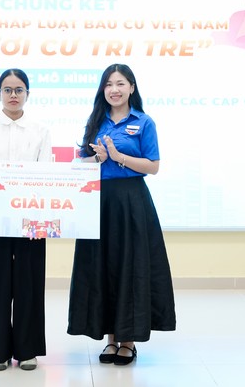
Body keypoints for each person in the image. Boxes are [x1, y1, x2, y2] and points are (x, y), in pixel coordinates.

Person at [67, 63, 176, 366]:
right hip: (99, 202)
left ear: (131, 87)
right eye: (108, 84)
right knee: (103, 267)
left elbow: (153, 166)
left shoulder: (143, 122)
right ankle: (110, 339)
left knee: (130, 265)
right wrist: (97, 158)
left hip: (131, 201)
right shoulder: (96, 121)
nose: (114, 90)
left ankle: (128, 341)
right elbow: (82, 163)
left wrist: (118, 157)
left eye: (120, 84)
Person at [0, 68, 53, 372]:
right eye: (7, 90)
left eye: (19, 90)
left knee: (29, 283)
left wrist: (42, 218)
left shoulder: (40, 130)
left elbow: (46, 177)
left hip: (31, 218)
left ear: (28, 94)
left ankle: (27, 350)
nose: (13, 95)